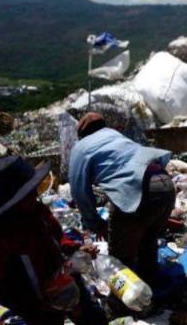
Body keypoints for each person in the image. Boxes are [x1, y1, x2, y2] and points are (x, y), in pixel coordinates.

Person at [0, 155, 114, 325]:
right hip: (36, 301)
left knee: (95, 318)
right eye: (28, 193)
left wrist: (76, 249)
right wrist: (31, 304)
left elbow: (59, 240)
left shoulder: (39, 212)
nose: (35, 194)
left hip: (64, 280)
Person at [68, 112, 174, 286]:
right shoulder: (116, 136)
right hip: (165, 184)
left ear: (82, 134)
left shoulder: (81, 147)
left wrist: (95, 223)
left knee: (120, 260)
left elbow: (79, 191)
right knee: (147, 242)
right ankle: (153, 292)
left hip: (137, 190)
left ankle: (122, 307)